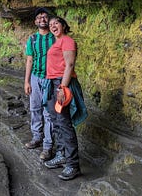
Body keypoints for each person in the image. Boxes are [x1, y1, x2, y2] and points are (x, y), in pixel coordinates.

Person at [43, 16, 86, 181]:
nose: (53, 26)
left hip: (61, 84)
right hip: (52, 84)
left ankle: (73, 165)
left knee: (64, 124)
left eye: (56, 23)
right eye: (51, 24)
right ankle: (61, 155)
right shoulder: (55, 42)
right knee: (57, 122)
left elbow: (69, 65)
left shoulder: (67, 40)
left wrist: (63, 87)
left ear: (63, 25)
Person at [24, 7, 55, 161]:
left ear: (48, 20)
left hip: (51, 79)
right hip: (35, 78)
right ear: (35, 21)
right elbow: (29, 60)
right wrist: (27, 81)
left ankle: (48, 146)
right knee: (35, 108)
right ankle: (37, 137)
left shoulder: (55, 38)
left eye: (45, 17)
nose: (42, 19)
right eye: (39, 18)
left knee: (48, 113)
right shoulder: (32, 39)